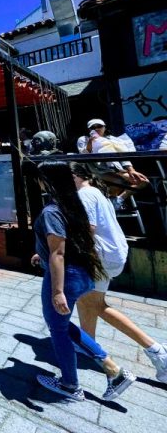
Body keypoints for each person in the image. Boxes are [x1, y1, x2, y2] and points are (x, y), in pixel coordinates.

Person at [30, 160, 135, 402]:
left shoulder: (52, 210)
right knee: (61, 323)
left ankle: (71, 385)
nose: (38, 182)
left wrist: (57, 291)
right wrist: (42, 253)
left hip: (65, 275)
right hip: (82, 272)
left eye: (40, 178)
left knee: (57, 328)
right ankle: (112, 369)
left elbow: (58, 253)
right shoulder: (72, 204)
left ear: (48, 181)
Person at [71, 163, 167, 383]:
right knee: (87, 300)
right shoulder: (96, 192)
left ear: (76, 175)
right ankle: (87, 343)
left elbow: (87, 229)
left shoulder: (85, 194)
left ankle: (156, 350)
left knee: (95, 304)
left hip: (101, 256)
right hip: (111, 254)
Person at [77, 118, 149, 206]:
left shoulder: (113, 139)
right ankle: (109, 202)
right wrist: (91, 141)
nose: (96, 129)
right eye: (93, 127)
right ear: (89, 129)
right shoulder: (84, 139)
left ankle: (118, 200)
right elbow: (84, 155)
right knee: (119, 181)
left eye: (99, 126)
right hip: (98, 170)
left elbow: (123, 154)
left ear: (104, 127)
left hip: (117, 169)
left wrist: (131, 170)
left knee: (143, 181)